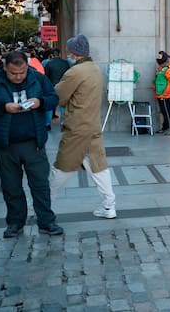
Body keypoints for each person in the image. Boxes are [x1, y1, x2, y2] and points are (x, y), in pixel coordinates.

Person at [0, 50, 62, 238]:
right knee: (11, 186)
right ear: (5, 67)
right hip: (5, 144)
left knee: (40, 186)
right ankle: (15, 222)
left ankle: (47, 221)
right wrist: (2, 107)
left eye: (22, 72)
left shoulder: (38, 79)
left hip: (34, 143)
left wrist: (40, 102)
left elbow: (53, 98)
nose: (18, 76)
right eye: (14, 73)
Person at [49, 35, 117, 219]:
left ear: (73, 53)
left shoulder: (75, 72)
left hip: (77, 127)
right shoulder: (94, 69)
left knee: (62, 166)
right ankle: (109, 206)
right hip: (92, 125)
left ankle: (45, 203)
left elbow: (58, 97)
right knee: (98, 167)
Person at [44, 48, 71, 130]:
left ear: (51, 55)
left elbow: (46, 77)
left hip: (52, 86)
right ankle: (63, 123)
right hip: (63, 86)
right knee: (63, 105)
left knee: (49, 106)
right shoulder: (65, 63)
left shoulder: (49, 64)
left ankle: (48, 124)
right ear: (59, 54)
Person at [154, 51, 170, 135]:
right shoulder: (160, 69)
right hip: (159, 94)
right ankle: (164, 127)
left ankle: (169, 128)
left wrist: (165, 92)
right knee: (164, 112)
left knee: (166, 112)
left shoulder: (168, 69)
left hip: (164, 95)